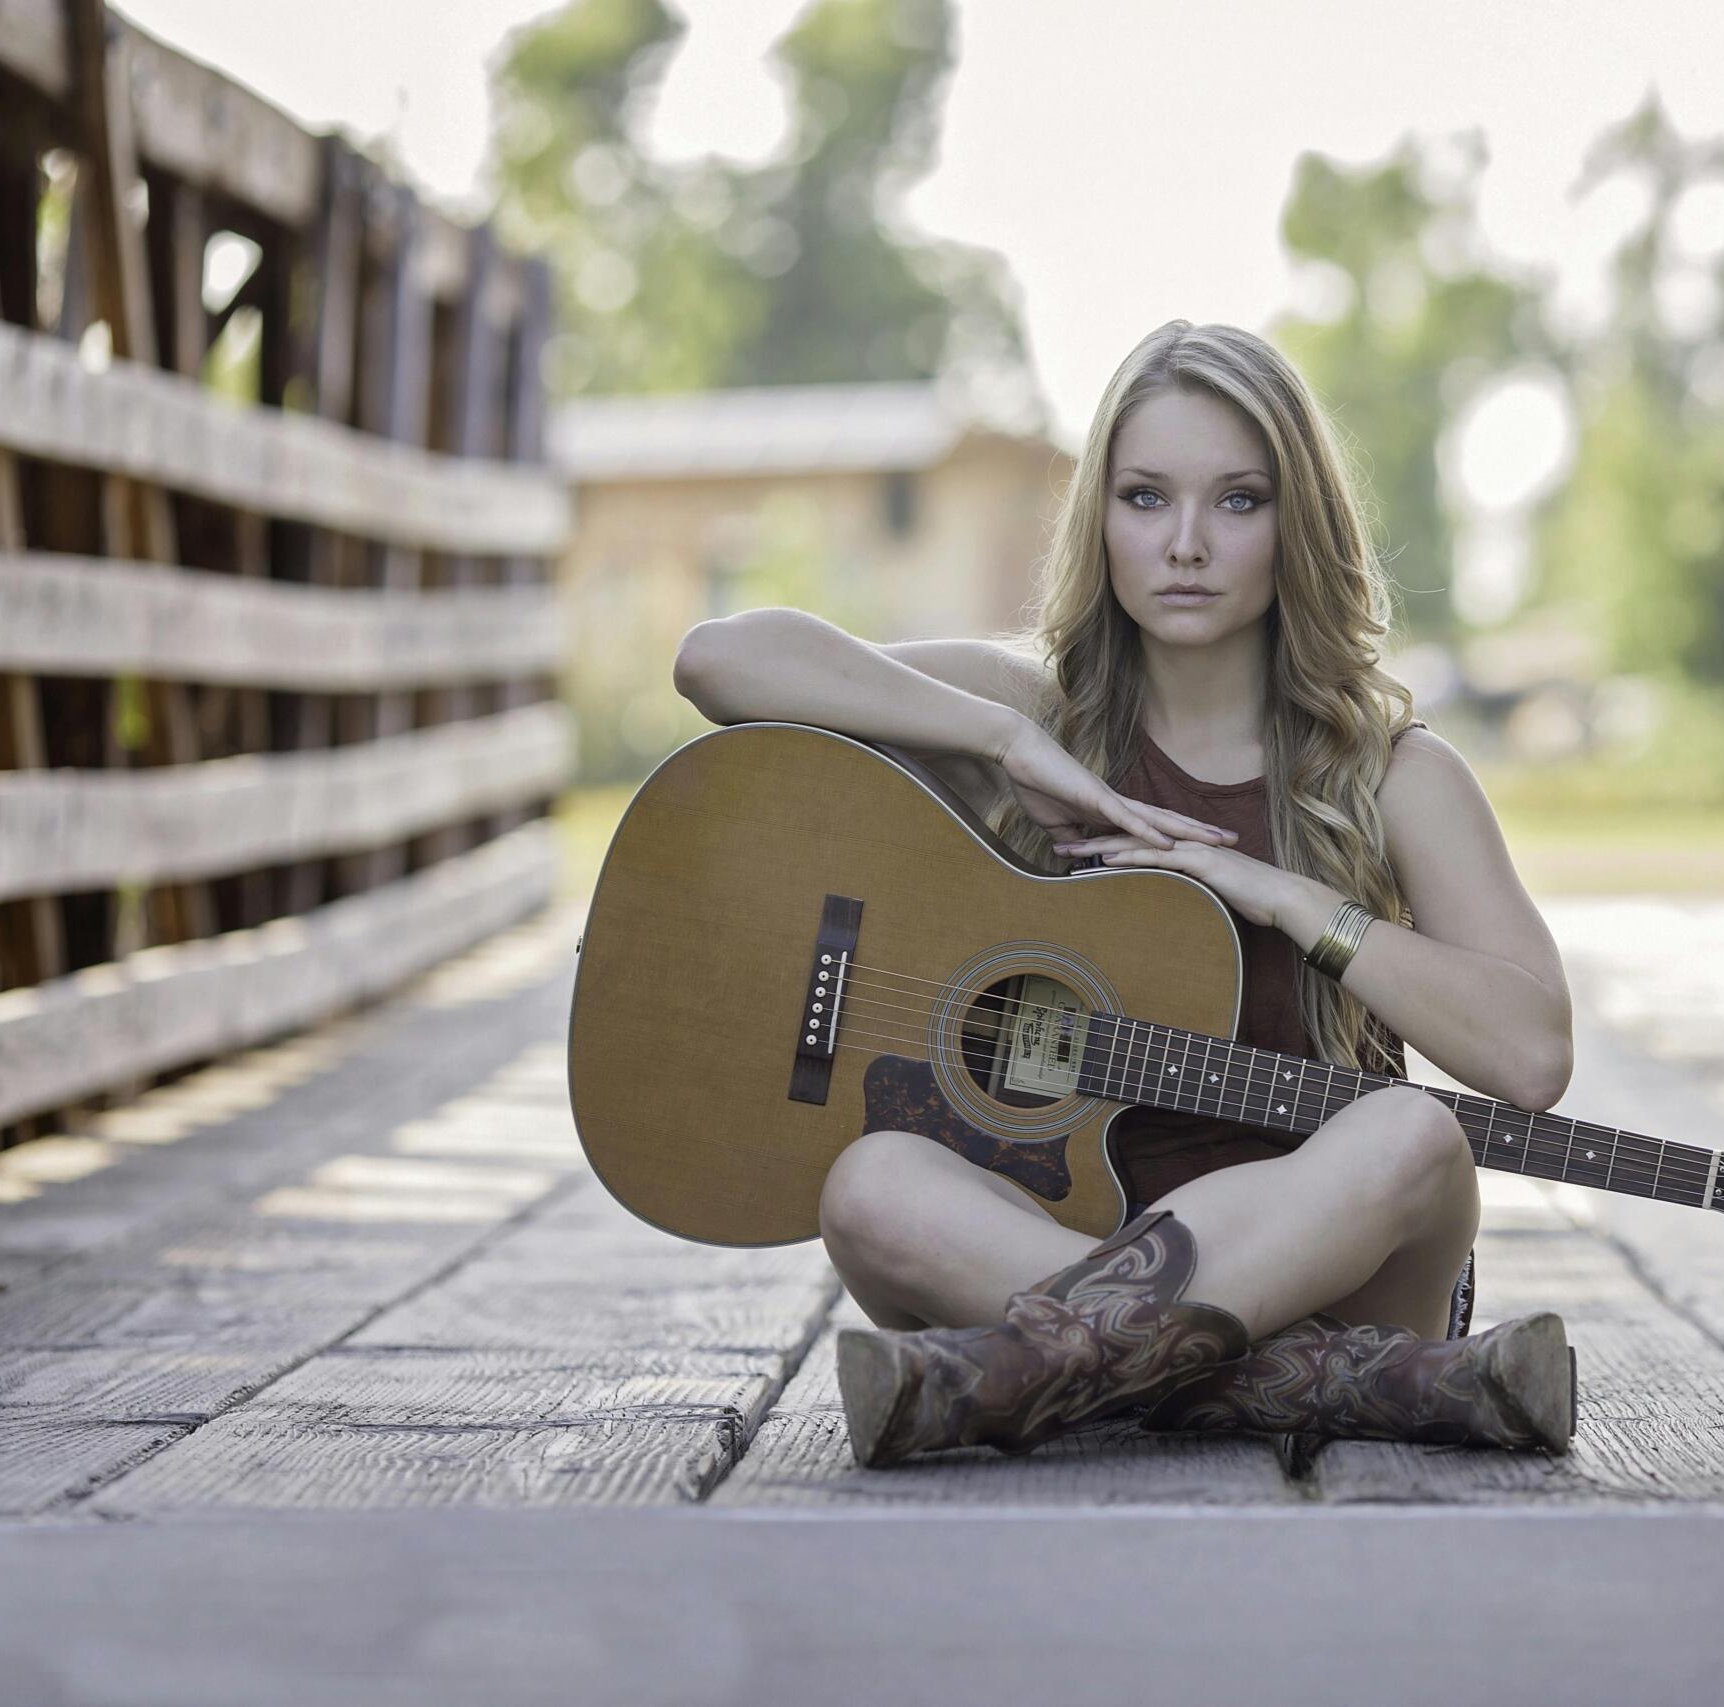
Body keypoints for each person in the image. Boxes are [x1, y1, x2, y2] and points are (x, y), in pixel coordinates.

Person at [670, 319, 1577, 1468]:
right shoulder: (1039, 720)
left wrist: (1295, 903)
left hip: (1347, 1273)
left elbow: (1532, 1057)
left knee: (1410, 1132)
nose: (1186, 543)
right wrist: (1000, 737)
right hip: (1059, 1240)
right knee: (868, 1183)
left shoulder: (1394, 773)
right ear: (1097, 516)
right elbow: (719, 661)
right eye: (1145, 498)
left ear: (1296, 522)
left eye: (1237, 501)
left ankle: (1035, 1371)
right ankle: (1340, 1389)